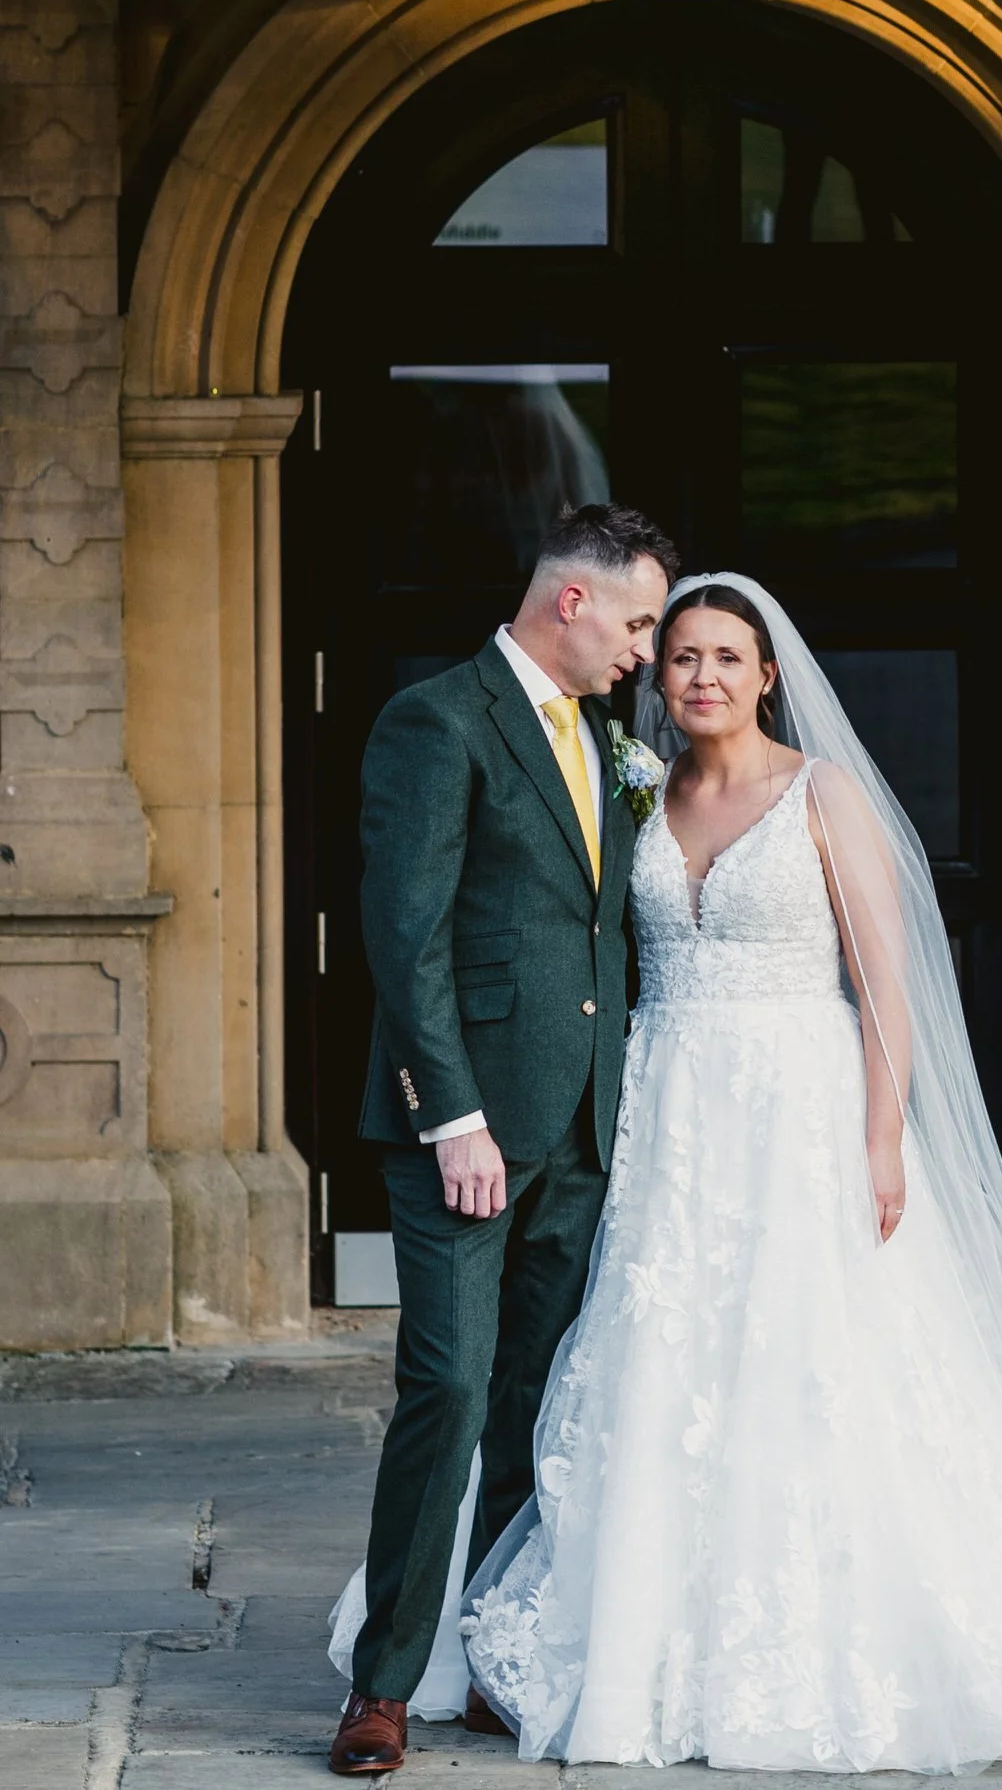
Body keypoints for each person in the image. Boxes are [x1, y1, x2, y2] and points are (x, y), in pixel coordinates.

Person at [454, 573, 1002, 1773]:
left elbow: (886, 985)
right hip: (672, 1113)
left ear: (766, 676)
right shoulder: (637, 794)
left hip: (800, 1106)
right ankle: (647, 1623)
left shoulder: (823, 793)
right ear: (659, 674)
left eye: (724, 658)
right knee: (666, 1354)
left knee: (817, 1356)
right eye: (682, 656)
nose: (700, 676)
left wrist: (880, 1136)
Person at [326, 502, 678, 1779]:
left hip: (583, 1124)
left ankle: (489, 1652)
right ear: (571, 601)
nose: (646, 649)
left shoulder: (604, 737)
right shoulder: (434, 720)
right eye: (637, 621)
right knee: (450, 1388)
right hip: (463, 1132)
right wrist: (452, 1115)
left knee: (536, 1400)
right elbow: (402, 936)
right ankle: (383, 1684)